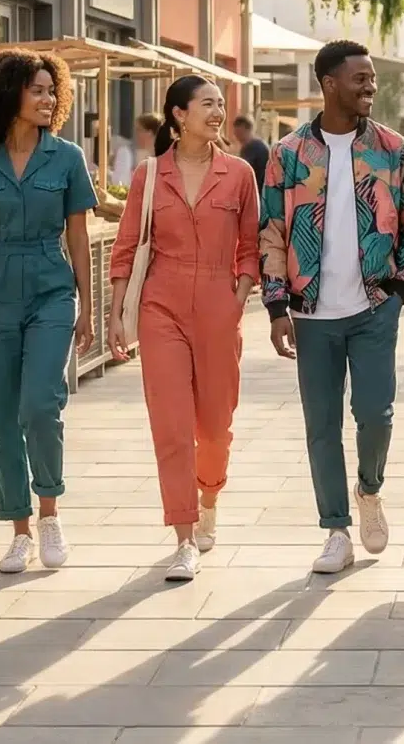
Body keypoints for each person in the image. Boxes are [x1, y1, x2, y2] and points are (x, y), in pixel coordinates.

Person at [260, 40, 404, 575]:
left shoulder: (392, 148)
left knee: (376, 415)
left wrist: (401, 287)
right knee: (321, 425)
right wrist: (275, 306)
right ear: (329, 83)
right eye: (360, 78)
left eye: (372, 78)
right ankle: (335, 530)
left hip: (373, 307)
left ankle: (370, 489)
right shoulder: (288, 154)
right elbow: (270, 232)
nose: (370, 87)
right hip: (311, 315)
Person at [0, 48, 98, 574]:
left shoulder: (68, 157)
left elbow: (78, 233)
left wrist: (86, 305)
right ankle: (19, 530)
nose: (48, 98)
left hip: (52, 287)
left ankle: (50, 514)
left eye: (51, 90)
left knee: (39, 404)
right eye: (37, 90)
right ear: (8, 94)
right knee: (3, 417)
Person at [110, 77, 258, 582]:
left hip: (219, 304)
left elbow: (250, 248)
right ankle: (184, 537)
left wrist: (236, 299)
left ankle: (209, 493)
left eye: (221, 104)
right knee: (171, 428)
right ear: (178, 114)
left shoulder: (238, 174)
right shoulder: (149, 176)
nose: (218, 112)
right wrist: (116, 312)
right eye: (208, 104)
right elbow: (127, 246)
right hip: (161, 306)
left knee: (214, 428)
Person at [128, 113, 163, 189]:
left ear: (149, 133)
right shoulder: (140, 155)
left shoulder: (162, 157)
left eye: (139, 130)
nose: (136, 134)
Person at [233, 116, 269, 186]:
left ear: (247, 130)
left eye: (239, 133)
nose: (236, 136)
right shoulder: (252, 145)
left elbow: (243, 170)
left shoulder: (254, 146)